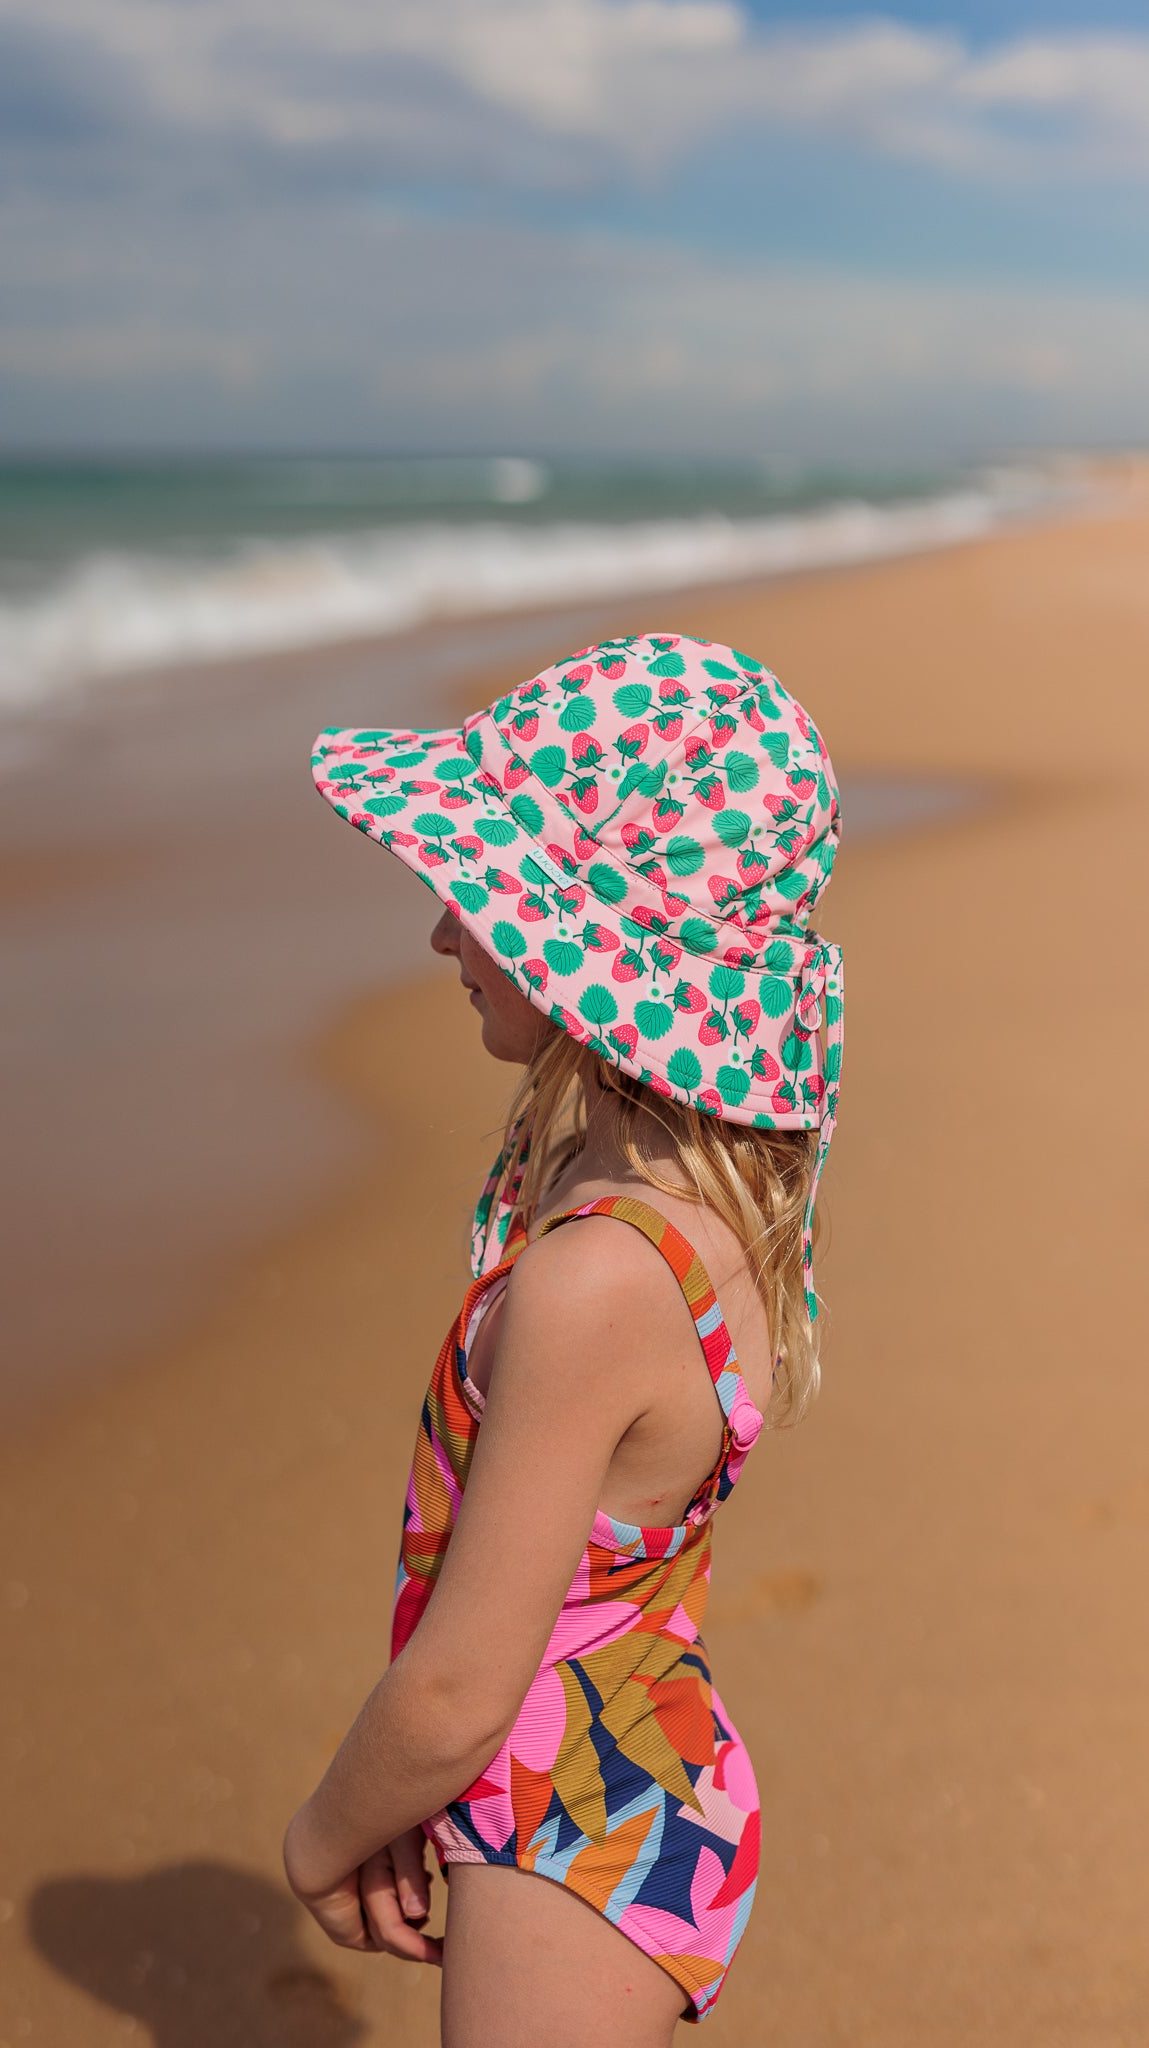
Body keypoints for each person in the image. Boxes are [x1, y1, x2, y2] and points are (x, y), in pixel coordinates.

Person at [285, 632, 844, 2045]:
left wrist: (326, 1833)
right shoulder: (681, 1205)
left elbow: (465, 1687)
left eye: (474, 898)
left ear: (585, 942)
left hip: (572, 1823)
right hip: (622, 1765)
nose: (438, 935)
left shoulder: (592, 1280)